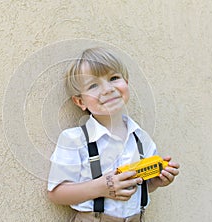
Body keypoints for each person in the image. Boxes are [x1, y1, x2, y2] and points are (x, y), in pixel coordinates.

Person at [47, 47, 180, 222]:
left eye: (114, 78)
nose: (108, 89)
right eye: (93, 85)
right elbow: (56, 193)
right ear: (80, 101)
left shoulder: (141, 138)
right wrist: (101, 187)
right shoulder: (74, 139)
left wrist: (155, 182)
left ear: (126, 82)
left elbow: (140, 185)